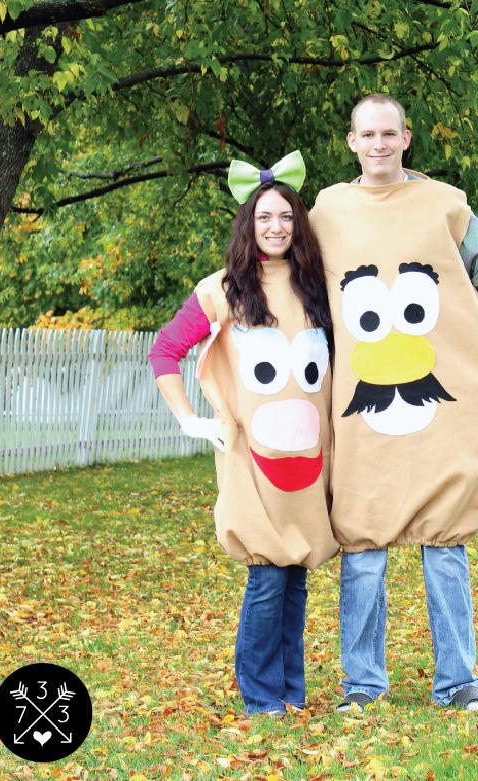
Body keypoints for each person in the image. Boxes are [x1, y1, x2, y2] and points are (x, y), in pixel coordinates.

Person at [309, 94, 478, 713]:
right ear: (350, 141)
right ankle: (363, 686)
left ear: (407, 138)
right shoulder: (329, 209)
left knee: (445, 536)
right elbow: (289, 276)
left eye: (389, 133)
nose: (378, 143)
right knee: (364, 540)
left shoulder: (445, 204)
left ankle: (458, 682)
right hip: (361, 407)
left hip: (447, 399)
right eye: (366, 134)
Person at [148, 151, 338, 717]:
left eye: (285, 217)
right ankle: (260, 698)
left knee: (296, 573)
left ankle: (291, 691)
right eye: (264, 218)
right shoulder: (224, 289)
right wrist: (188, 418)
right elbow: (164, 350)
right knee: (267, 571)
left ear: (298, 224)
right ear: (247, 225)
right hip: (251, 456)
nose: (276, 227)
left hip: (308, 455)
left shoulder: (316, 287)